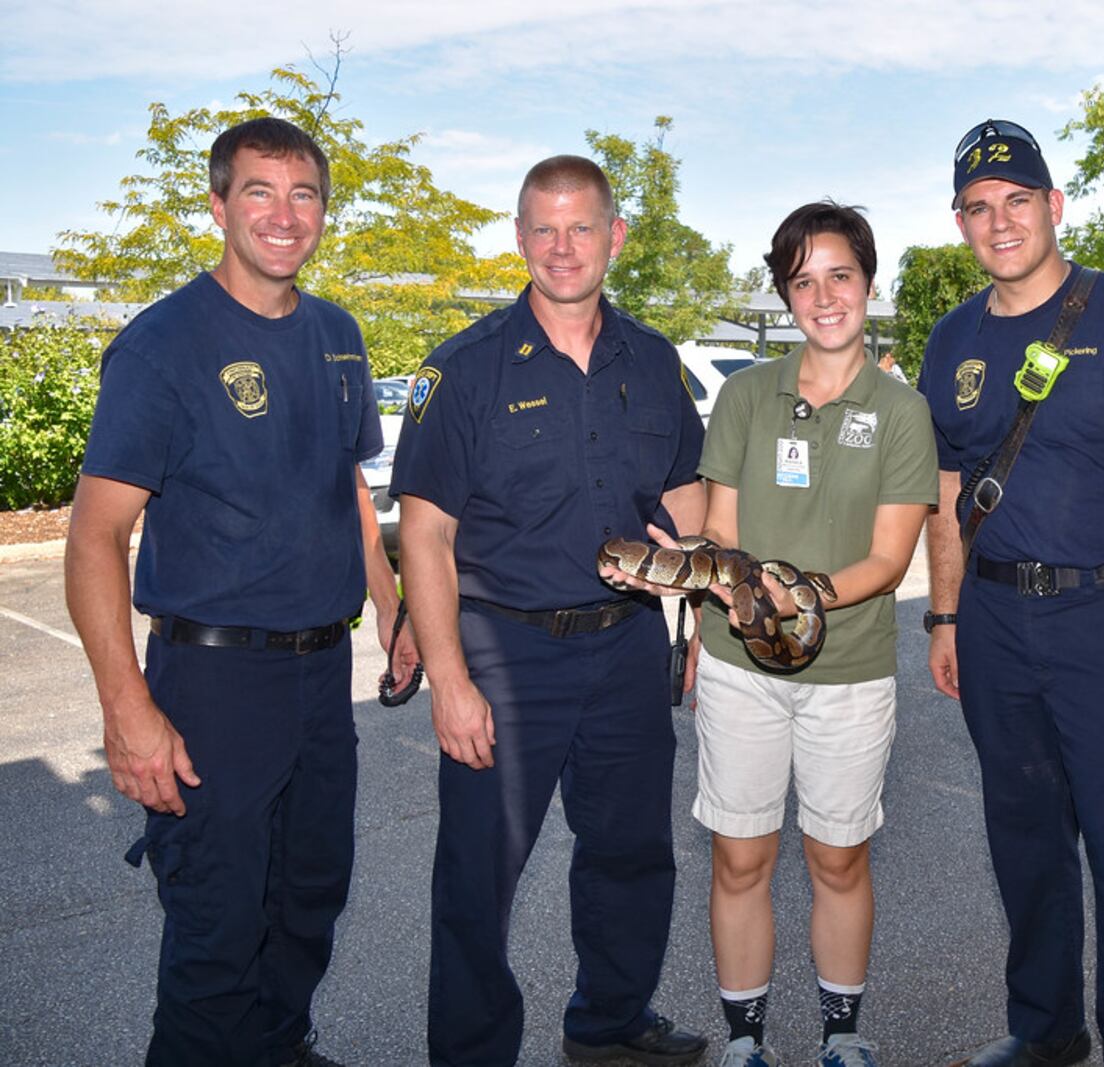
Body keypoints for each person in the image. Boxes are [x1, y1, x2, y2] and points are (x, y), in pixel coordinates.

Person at [64, 116, 416, 1067]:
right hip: (212, 681)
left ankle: (279, 1048)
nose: (282, 214)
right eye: (259, 191)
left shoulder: (339, 336)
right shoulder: (163, 344)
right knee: (215, 929)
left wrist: (389, 606)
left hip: (319, 680)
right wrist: (126, 706)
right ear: (219, 204)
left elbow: (347, 488)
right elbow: (95, 537)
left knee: (307, 899)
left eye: (303, 194)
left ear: (323, 215)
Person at [918, 120, 1104, 1067]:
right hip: (997, 620)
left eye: (1018, 201)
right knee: (1024, 839)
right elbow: (944, 492)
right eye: (979, 207)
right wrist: (945, 613)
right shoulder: (953, 337)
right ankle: (1045, 1027)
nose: (999, 222)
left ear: (1055, 206)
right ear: (961, 222)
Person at [390, 155, 708, 1067]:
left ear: (614, 236)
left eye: (582, 227)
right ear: (519, 238)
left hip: (625, 648)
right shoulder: (464, 369)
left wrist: (689, 585)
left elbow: (684, 493)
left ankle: (608, 1023)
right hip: (505, 651)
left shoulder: (652, 361)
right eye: (544, 228)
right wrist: (449, 679)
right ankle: (471, 1050)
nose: (563, 247)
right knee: (479, 875)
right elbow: (427, 535)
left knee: (632, 853)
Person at [625, 201, 937, 1067]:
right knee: (739, 857)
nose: (824, 296)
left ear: (868, 285)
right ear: (786, 293)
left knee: (838, 861)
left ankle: (843, 1036)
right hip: (738, 668)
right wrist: (683, 564)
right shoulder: (746, 393)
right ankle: (744, 1041)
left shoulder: (903, 411)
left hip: (850, 672)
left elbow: (887, 558)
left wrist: (793, 594)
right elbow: (720, 532)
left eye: (841, 275)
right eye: (804, 280)